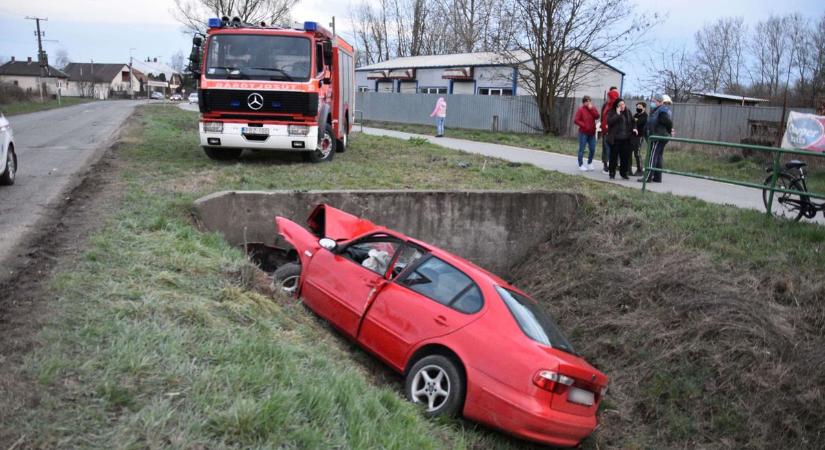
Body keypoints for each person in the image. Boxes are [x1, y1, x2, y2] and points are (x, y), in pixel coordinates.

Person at [639, 94, 674, 183]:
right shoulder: (659, 110)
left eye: (654, 101)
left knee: (652, 156)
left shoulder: (661, 110)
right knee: (658, 156)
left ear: (659, 101)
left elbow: (668, 122)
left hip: (658, 137)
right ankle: (657, 177)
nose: (652, 103)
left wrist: (669, 131)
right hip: (659, 136)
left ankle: (648, 177)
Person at [606, 98, 637, 179]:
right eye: (620, 105)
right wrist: (617, 114)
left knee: (625, 158)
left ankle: (623, 173)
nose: (622, 106)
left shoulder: (628, 112)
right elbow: (609, 122)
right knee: (614, 157)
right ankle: (612, 173)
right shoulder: (612, 112)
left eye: (623, 104)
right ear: (617, 106)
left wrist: (634, 128)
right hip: (615, 139)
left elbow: (633, 122)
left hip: (626, 139)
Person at [573, 96, 600, 171]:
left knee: (592, 148)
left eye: (589, 101)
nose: (588, 103)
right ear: (584, 102)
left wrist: (592, 109)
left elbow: (597, 116)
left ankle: (590, 163)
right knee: (582, 149)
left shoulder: (593, 108)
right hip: (583, 133)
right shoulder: (581, 109)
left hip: (592, 133)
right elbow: (576, 120)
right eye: (587, 101)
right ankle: (580, 164)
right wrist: (584, 125)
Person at [599, 87, 620, 174]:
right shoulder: (606, 105)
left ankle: (613, 165)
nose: (608, 99)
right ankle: (605, 165)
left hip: (614, 132)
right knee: (605, 149)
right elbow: (602, 117)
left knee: (613, 149)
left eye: (609, 97)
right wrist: (602, 125)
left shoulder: (617, 107)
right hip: (605, 130)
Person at [631, 101, 648, 176]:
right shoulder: (635, 115)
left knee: (637, 153)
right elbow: (632, 122)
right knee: (629, 152)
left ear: (644, 108)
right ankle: (629, 169)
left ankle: (640, 169)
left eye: (640, 107)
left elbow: (638, 123)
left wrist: (635, 123)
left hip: (640, 136)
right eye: (637, 107)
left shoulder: (645, 116)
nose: (638, 108)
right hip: (633, 136)